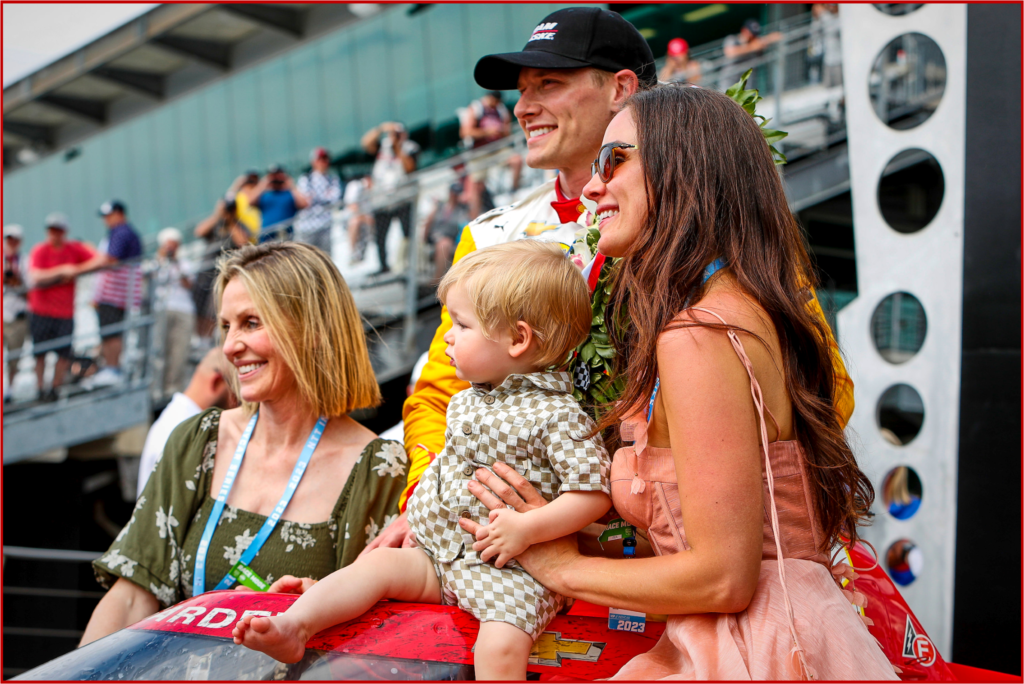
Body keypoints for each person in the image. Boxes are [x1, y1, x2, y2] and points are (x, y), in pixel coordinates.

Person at [459, 85, 897, 679]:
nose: (592, 186)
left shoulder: (699, 333)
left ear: (683, 172)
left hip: (748, 650)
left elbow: (723, 578)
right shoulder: (734, 309)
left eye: (614, 160)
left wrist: (556, 564)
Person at [232, 241, 610, 680]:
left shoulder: (559, 415)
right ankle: (294, 625)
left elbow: (592, 494)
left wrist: (527, 528)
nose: (447, 335)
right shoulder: (467, 400)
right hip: (441, 554)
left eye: (462, 325)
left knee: (501, 648)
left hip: (513, 573)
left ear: (518, 339)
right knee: (375, 568)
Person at [373, 6, 658, 552]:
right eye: (522, 91)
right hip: (509, 537)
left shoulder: (708, 219)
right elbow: (439, 394)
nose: (524, 108)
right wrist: (430, 497)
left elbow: (813, 378)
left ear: (621, 87)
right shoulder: (492, 236)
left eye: (548, 83)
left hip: (667, 531)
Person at [82, 242, 407, 645]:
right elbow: (132, 597)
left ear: (312, 329)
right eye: (226, 326)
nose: (230, 347)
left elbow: (376, 640)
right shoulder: (198, 441)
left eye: (251, 323)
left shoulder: (378, 469)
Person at [136, 347, 235, 498]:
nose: (239, 402)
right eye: (236, 390)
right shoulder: (187, 431)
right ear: (217, 382)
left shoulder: (175, 418)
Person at [26, 213, 100, 401]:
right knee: (40, 354)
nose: (54, 234)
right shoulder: (40, 250)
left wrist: (76, 271)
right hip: (41, 310)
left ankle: (55, 388)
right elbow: (36, 275)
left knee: (63, 353)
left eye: (58, 230)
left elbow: (98, 258)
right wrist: (62, 271)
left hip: (65, 312)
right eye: (51, 229)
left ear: (65, 232)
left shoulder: (73, 249)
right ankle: (40, 389)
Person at [90, 200, 143, 388]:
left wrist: (79, 268)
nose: (106, 220)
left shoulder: (121, 232)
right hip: (116, 295)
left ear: (120, 213)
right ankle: (111, 367)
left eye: (109, 215)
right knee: (109, 332)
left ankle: (113, 368)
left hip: (114, 295)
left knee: (111, 333)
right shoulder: (121, 232)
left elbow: (111, 259)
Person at [361, 122, 419, 274]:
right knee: (380, 237)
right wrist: (381, 128)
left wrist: (397, 147)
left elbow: (410, 167)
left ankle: (407, 264)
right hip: (382, 201)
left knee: (407, 233)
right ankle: (383, 266)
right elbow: (366, 143)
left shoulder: (410, 147)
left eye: (398, 134)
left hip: (403, 199)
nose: (395, 137)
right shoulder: (382, 147)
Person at [192, 197, 251, 339]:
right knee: (199, 309)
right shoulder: (216, 224)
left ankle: (208, 338)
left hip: (222, 275)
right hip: (205, 274)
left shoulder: (238, 225)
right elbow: (199, 231)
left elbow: (243, 242)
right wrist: (218, 215)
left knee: (213, 309)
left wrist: (231, 221)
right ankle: (200, 339)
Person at [461, 90, 523, 217]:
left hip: (497, 148)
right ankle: (474, 218)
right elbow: (465, 132)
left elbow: (507, 132)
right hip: (480, 151)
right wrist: (487, 132)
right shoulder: (476, 108)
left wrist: (502, 131)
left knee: (516, 160)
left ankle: (513, 192)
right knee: (476, 185)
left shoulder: (501, 110)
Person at [151, 228, 196, 396]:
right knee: (160, 350)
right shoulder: (157, 262)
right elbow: (150, 280)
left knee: (179, 351)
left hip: (183, 309)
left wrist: (175, 263)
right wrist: (161, 259)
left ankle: (173, 388)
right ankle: (157, 388)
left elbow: (188, 284)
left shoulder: (183, 263)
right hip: (162, 309)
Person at [295, 148, 342, 254]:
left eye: (325, 159)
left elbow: (335, 198)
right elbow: (305, 201)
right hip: (307, 226)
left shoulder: (333, 179)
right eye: (319, 159)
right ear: (313, 162)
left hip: (325, 225)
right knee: (307, 258)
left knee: (325, 257)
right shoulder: (306, 178)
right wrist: (324, 196)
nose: (322, 162)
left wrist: (315, 197)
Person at [246, 165, 309, 243]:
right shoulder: (265, 195)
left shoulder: (290, 194)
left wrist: (290, 184)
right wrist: (263, 183)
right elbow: (249, 201)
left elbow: (304, 204)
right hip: (267, 237)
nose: (275, 178)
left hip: (286, 235)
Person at [423, 183, 470, 282]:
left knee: (445, 244)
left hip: (451, 237)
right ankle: (438, 279)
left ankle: (440, 279)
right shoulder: (440, 206)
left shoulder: (462, 209)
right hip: (436, 235)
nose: (455, 196)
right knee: (444, 244)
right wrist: (424, 237)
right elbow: (429, 221)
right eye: (453, 193)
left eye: (457, 194)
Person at [721, 18, 782, 91]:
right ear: (744, 30)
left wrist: (766, 40)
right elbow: (730, 53)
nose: (753, 37)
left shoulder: (755, 43)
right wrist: (753, 47)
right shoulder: (732, 39)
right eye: (751, 34)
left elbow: (776, 36)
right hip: (729, 82)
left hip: (746, 85)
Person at [4, 224, 28, 401]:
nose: (11, 243)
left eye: (15, 239)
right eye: (8, 239)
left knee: (14, 356)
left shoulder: (25, 262)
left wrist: (16, 280)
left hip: (18, 315)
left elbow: (31, 289)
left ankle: (9, 391)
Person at [342, 174, 374, 266]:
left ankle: (360, 255)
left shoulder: (371, 191)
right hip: (352, 221)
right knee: (355, 221)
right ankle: (353, 253)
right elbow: (351, 205)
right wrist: (365, 218)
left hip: (368, 222)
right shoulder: (355, 186)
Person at [226, 170, 262, 241]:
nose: (253, 184)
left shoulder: (262, 194)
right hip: (248, 237)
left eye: (255, 181)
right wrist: (236, 185)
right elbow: (227, 200)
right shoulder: (238, 196)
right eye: (250, 181)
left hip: (264, 234)